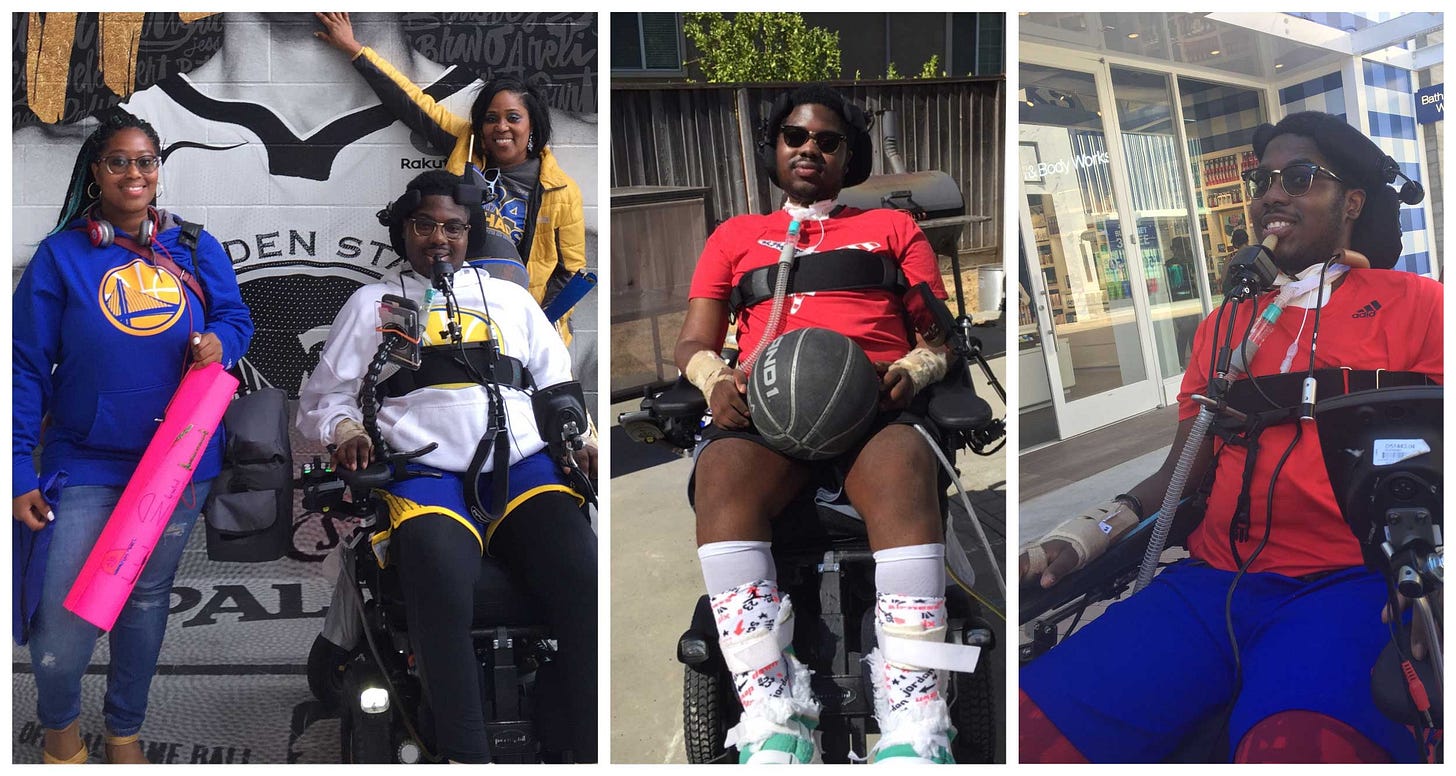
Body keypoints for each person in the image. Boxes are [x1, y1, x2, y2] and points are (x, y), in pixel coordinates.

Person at [1018, 111, 1443, 763]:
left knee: (1296, 750)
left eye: (1300, 177)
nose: (1272, 193)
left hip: (1350, 584)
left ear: (1352, 201)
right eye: (1263, 180)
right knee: (1032, 730)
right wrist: (1087, 533)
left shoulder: (1419, 305)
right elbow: (1181, 470)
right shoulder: (1223, 328)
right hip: (1212, 582)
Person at [674, 84, 971, 764]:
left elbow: (943, 337)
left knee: (902, 467)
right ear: (775, 150)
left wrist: (919, 371)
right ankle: (773, 714)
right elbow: (692, 343)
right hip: (767, 415)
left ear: (849, 155)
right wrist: (713, 378)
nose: (810, 148)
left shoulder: (896, 231)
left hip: (873, 412)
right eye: (796, 137)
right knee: (720, 471)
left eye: (828, 140)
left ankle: (915, 720)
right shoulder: (734, 237)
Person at [296, 170, 598, 763]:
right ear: (404, 231)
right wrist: (348, 429)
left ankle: (573, 747)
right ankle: (465, 755)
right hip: (425, 474)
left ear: (470, 233)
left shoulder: (510, 299)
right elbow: (322, 399)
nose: (440, 238)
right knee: (439, 585)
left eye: (453, 228)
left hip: (523, 465)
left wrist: (581, 438)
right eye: (425, 225)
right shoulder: (372, 304)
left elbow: (557, 384)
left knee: (582, 579)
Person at [12, 111, 254, 764]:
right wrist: (16, 474)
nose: (134, 173)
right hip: (85, 461)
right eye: (119, 160)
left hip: (177, 461)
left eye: (146, 161)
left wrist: (220, 342)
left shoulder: (195, 244)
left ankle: (124, 730)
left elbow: (236, 315)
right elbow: (26, 369)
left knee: (145, 599)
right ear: (96, 171)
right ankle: (59, 729)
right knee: (61, 614)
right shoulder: (61, 255)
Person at [313, 11, 589, 346]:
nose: (501, 127)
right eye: (491, 118)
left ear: (532, 126)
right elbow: (411, 102)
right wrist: (356, 51)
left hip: (517, 320)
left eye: (513, 117)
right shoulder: (466, 145)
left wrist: (542, 324)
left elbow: (569, 272)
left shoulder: (560, 191)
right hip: (455, 308)